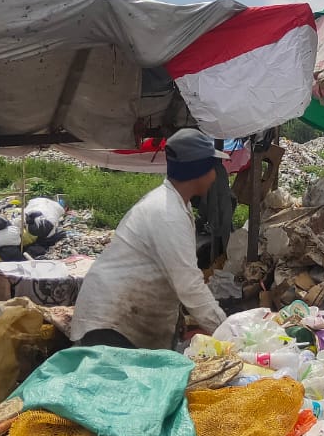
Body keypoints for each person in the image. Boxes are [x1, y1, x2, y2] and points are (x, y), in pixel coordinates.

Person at [70, 128, 227, 349]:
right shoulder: (167, 213)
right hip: (113, 320)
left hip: (123, 315)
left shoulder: (176, 204)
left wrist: (177, 317)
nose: (214, 176)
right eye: (212, 168)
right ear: (199, 170)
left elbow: (173, 272)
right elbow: (189, 285)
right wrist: (230, 335)